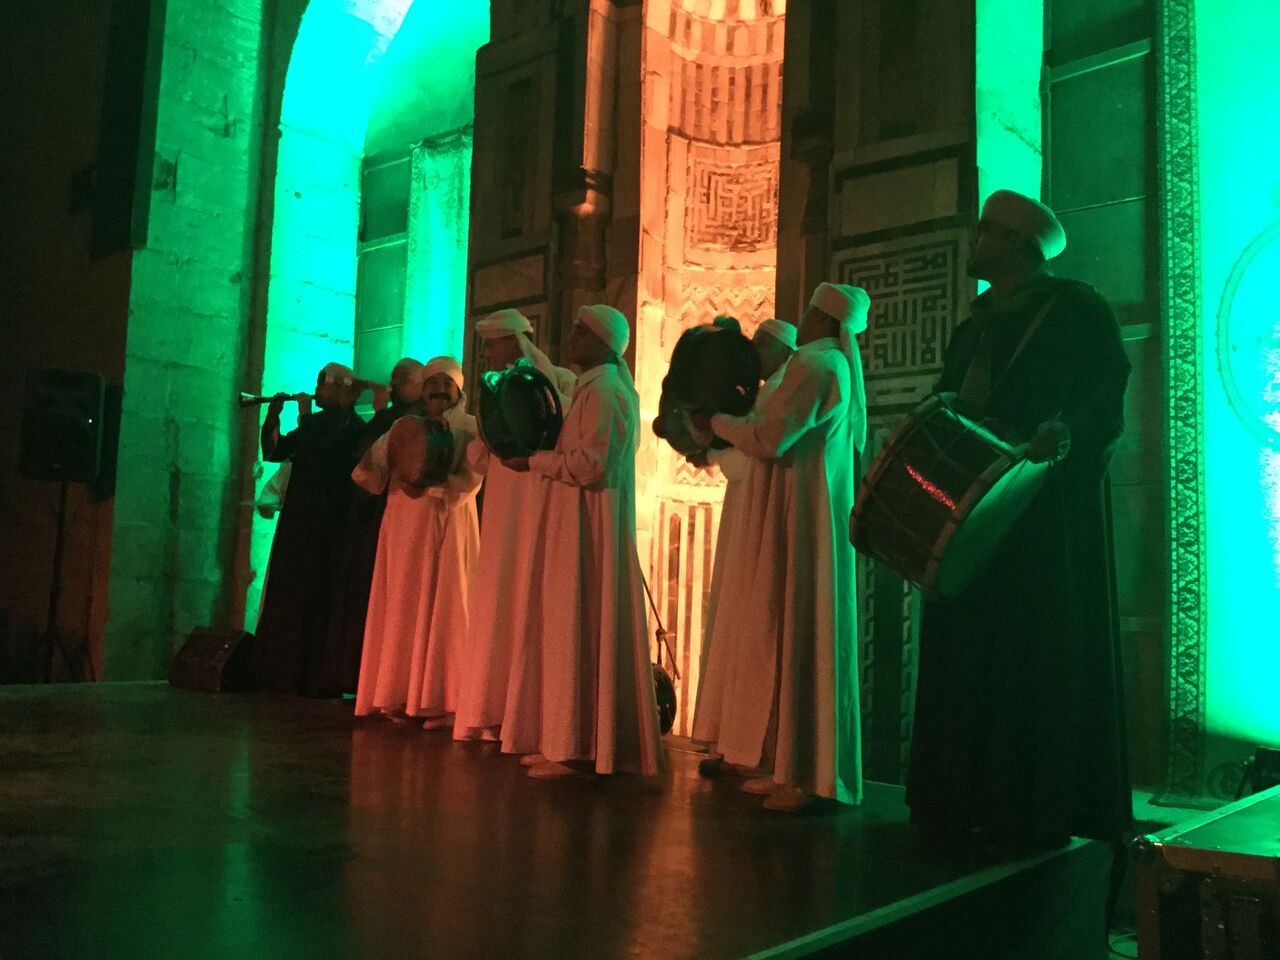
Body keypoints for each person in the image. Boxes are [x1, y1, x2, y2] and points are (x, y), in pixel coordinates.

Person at [906, 189, 1132, 850]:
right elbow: (952, 402)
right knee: (966, 653)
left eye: (986, 230)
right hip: (971, 514)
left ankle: (1026, 810)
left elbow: (1104, 394)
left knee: (1028, 655)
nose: (974, 240)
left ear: (1016, 243)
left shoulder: (1076, 309)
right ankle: (956, 801)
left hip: (1038, 518)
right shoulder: (972, 327)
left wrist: (1067, 432)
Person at [691, 284, 869, 812]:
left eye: (811, 310)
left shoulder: (817, 365)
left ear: (824, 318)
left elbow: (771, 437)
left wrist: (713, 424)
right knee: (792, 633)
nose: (804, 317)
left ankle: (811, 778)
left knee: (803, 631)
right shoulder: (823, 365)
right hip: (796, 511)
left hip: (804, 514)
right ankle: (790, 766)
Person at [501, 305, 663, 779]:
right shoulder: (593, 390)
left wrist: (534, 461)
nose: (570, 336)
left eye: (581, 330)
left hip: (590, 530)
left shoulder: (607, 392)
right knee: (565, 627)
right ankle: (564, 740)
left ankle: (576, 749)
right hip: (574, 527)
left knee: (579, 627)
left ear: (605, 344)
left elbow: (592, 465)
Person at [453, 309, 575, 743]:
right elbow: (480, 458)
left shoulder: (561, 381)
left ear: (514, 342)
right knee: (500, 597)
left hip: (539, 502)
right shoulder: (493, 391)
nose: (486, 354)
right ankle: (492, 708)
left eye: (492, 344)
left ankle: (532, 717)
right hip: (503, 507)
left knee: (529, 594)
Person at [689, 317, 797, 777]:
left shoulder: (789, 387)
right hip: (744, 514)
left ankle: (757, 749)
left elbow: (758, 449)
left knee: (757, 624)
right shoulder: (766, 392)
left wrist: (712, 446)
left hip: (766, 518)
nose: (754, 352)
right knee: (733, 619)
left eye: (762, 345)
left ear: (783, 349)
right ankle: (731, 740)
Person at [353, 356, 481, 728]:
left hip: (445, 523)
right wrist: (396, 467)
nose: (438, 389)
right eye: (432, 382)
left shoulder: (471, 428)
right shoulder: (403, 425)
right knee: (401, 603)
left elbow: (472, 481)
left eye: (446, 383)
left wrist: (431, 485)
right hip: (402, 524)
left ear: (459, 389)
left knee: (444, 605)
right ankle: (396, 694)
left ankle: (442, 701)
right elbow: (368, 472)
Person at [314, 358, 426, 698]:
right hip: (368, 517)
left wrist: (380, 414)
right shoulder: (387, 417)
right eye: (393, 377)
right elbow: (359, 456)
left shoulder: (417, 421)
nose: (395, 383)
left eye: (404, 378)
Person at [254, 362, 366, 695]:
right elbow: (275, 451)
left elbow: (326, 454)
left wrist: (303, 416)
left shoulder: (355, 429)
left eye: (324, 385)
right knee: (289, 592)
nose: (317, 391)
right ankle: (279, 669)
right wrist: (273, 417)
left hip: (329, 525)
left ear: (342, 390)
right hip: (299, 521)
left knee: (319, 595)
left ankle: (315, 674)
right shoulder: (314, 423)